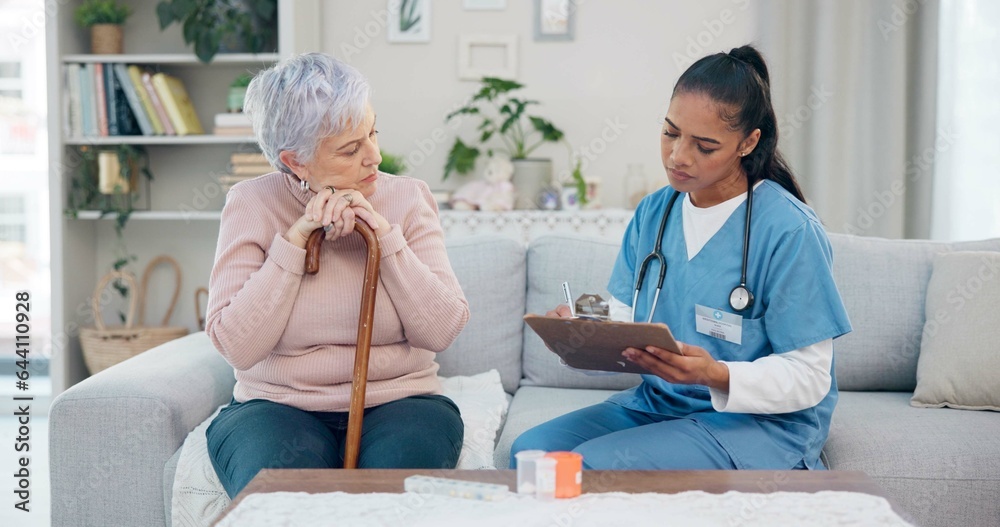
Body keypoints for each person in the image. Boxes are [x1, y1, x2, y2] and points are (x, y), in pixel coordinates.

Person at [511, 45, 852, 471]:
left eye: (704, 145)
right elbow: (629, 308)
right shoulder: (656, 211)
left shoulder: (789, 230)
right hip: (661, 404)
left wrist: (716, 374)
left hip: (756, 422)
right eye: (670, 133)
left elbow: (811, 376)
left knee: (589, 467)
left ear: (748, 142)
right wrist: (583, 319)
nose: (678, 156)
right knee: (532, 455)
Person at [204, 53, 470, 498]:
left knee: (389, 500)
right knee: (284, 502)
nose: (375, 156)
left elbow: (442, 330)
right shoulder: (251, 203)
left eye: (372, 133)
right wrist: (293, 244)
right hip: (276, 406)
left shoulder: (407, 197)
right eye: (350, 149)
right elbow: (237, 345)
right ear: (296, 162)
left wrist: (384, 237)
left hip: (402, 403)